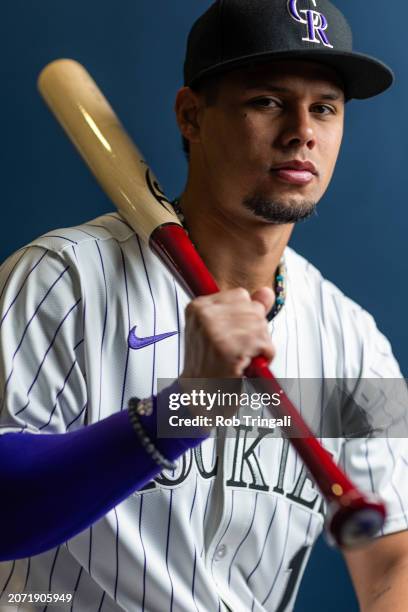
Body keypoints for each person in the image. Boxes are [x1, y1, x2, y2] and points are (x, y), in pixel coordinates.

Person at [1, 0, 408, 610]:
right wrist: (185, 410)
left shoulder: (357, 340)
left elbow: (390, 558)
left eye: (324, 107)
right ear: (192, 117)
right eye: (267, 101)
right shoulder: (62, 278)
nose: (303, 131)